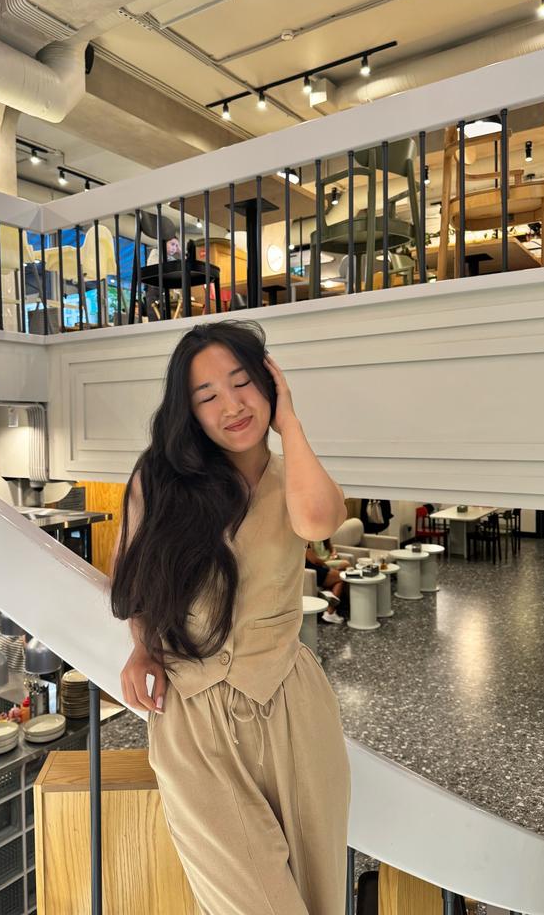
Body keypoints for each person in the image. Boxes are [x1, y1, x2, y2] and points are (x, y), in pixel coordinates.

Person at [111, 319, 351, 915]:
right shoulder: (158, 481)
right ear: (189, 413)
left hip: (292, 706)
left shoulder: (292, 477)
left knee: (319, 894)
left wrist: (290, 423)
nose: (232, 405)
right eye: (207, 396)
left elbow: (319, 522)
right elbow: (136, 580)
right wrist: (143, 647)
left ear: (269, 384)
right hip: (191, 716)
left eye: (242, 383)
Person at [306, 541, 350, 623]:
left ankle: (328, 594)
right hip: (312, 570)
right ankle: (330, 612)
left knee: (337, 575)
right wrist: (326, 566)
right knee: (341, 577)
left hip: (308, 570)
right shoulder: (303, 540)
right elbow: (313, 560)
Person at [145, 236, 181, 320]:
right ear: (163, 243)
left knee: (168, 315)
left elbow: (184, 266)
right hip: (154, 288)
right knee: (155, 317)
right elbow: (156, 268)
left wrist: (180, 252)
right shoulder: (155, 252)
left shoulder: (171, 258)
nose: (174, 248)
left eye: (176, 246)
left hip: (166, 289)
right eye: (172, 244)